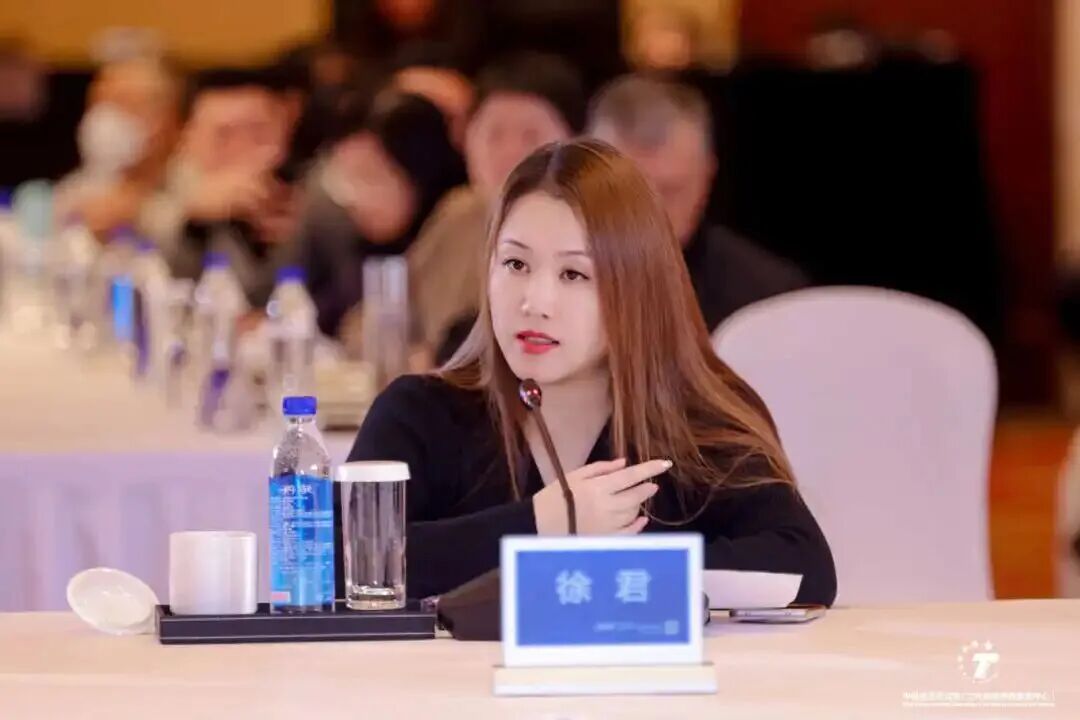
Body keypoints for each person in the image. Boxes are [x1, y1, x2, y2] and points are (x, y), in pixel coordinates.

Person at [343, 139, 837, 606]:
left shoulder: (699, 422)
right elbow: (340, 563)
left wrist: (606, 566)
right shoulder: (420, 412)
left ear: (637, 288)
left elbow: (802, 567)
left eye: (574, 274)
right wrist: (540, 525)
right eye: (515, 264)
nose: (536, 302)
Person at [588, 75, 809, 332]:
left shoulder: (769, 301)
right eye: (626, 191)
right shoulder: (548, 284)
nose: (647, 213)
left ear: (707, 176)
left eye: (670, 191)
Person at [407, 52, 585, 363]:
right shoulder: (459, 213)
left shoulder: (589, 231)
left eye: (531, 135)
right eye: (494, 134)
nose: (510, 152)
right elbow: (382, 316)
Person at [295, 89, 465, 339]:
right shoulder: (358, 242)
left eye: (370, 177)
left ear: (420, 171)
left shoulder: (462, 231)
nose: (353, 197)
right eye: (345, 178)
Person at [165, 67, 298, 307]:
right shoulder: (161, 205)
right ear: (186, 141)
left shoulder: (310, 202)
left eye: (258, 134)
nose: (242, 149)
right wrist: (191, 220)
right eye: (223, 136)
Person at [53, 57, 184, 241]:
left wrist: (140, 213)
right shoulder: (76, 191)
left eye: (123, 104)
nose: (105, 118)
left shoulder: (192, 181)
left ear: (167, 117)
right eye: (98, 104)